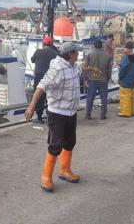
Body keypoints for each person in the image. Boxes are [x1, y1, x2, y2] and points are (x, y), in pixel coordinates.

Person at [25, 42, 101, 192]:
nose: (78, 54)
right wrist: (31, 107)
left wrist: (92, 69)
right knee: (56, 144)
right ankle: (46, 176)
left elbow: (81, 69)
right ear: (69, 54)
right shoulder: (57, 69)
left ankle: (65, 170)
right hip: (57, 113)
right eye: (76, 52)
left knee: (70, 142)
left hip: (71, 112)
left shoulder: (73, 66)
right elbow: (41, 86)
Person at [30, 36, 58, 123]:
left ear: (43, 44)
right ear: (51, 44)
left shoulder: (38, 51)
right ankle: (50, 116)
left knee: (39, 97)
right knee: (50, 96)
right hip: (50, 77)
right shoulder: (54, 53)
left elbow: (32, 60)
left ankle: (39, 117)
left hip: (39, 76)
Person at [84, 39, 113, 120]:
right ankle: (102, 115)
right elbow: (109, 69)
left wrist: (85, 79)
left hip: (92, 80)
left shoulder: (90, 55)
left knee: (90, 98)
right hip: (103, 80)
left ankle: (88, 114)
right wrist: (108, 78)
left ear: (94, 45)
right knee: (104, 99)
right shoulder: (107, 56)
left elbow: (86, 68)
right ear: (102, 46)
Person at [118, 41, 134, 117]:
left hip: (125, 79)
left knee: (125, 96)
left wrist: (120, 77)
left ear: (127, 49)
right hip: (133, 79)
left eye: (125, 48)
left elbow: (123, 68)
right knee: (132, 96)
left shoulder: (126, 57)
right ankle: (133, 111)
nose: (124, 49)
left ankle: (126, 112)